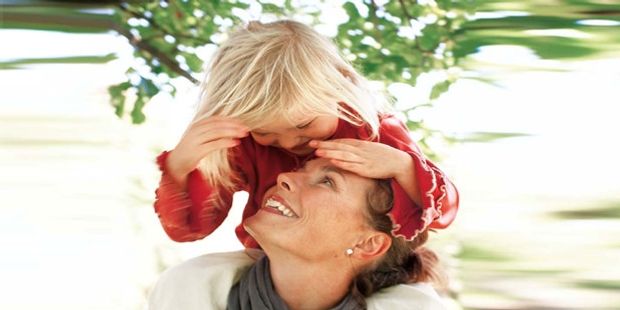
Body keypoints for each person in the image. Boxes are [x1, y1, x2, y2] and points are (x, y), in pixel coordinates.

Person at [154, 20, 459, 249]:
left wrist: (402, 167)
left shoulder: (374, 130)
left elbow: (442, 215)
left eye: (303, 125)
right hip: (271, 262)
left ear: (340, 87)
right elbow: (189, 230)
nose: (288, 142)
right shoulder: (241, 145)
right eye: (264, 132)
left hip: (360, 266)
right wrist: (178, 170)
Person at [149, 158, 447, 309]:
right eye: (302, 169)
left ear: (368, 243)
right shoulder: (186, 291)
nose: (284, 177)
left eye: (327, 182)